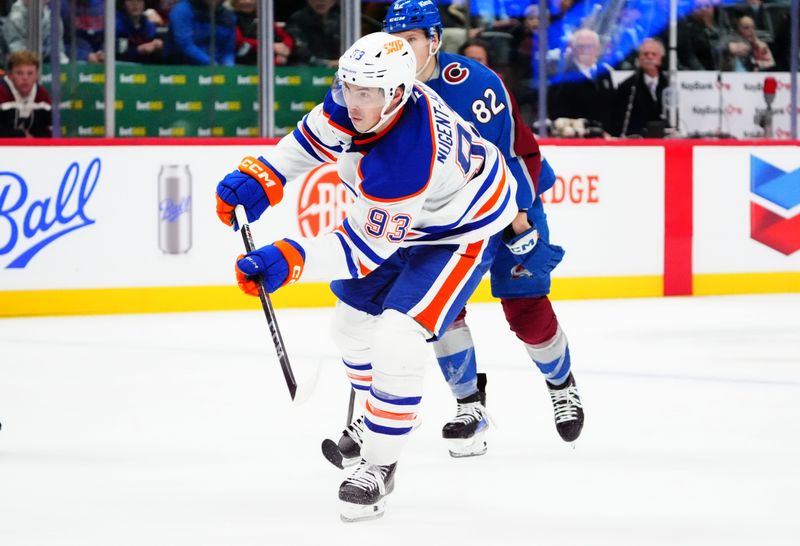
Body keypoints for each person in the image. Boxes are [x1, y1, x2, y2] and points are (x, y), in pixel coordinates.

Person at [215, 32, 517, 522]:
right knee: (350, 327)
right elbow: (309, 140)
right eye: (348, 87)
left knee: (400, 331)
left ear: (396, 93)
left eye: (367, 93)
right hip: (414, 217)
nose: (353, 102)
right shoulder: (363, 98)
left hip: (462, 228)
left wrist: (289, 258)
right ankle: (392, 409)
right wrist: (261, 176)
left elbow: (362, 249)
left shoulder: (408, 156)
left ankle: (378, 465)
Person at [322, 0, 583, 463]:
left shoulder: (476, 83)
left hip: (508, 200)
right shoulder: (376, 85)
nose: (399, 51)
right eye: (393, 41)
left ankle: (561, 385)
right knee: (438, 309)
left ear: (436, 41)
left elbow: (508, 157)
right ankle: (469, 407)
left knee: (524, 307)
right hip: (441, 218)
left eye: (412, 42)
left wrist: (521, 223)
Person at [548, 28, 616, 133]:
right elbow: (557, 113)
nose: (585, 50)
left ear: (597, 49)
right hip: (576, 139)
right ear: (573, 49)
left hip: (605, 137)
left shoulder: (605, 73)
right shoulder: (562, 76)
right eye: (580, 46)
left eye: (589, 46)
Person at [612, 38, 670, 137]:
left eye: (654, 54)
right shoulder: (627, 86)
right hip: (637, 139)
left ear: (661, 58)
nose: (650, 57)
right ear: (639, 58)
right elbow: (619, 120)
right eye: (646, 54)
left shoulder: (668, 84)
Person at [166, 0, 236, 65]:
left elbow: (228, 51)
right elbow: (185, 45)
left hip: (217, 67)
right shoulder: (182, 10)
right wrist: (213, 65)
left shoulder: (229, 16)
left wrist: (228, 68)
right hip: (181, 67)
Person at [0, 50, 52, 138]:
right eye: (19, 73)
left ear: (37, 75)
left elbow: (49, 130)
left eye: (30, 73)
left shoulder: (42, 94)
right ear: (10, 75)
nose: (25, 78)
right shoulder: (1, 91)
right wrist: (21, 136)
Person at [2, 0, 68, 65]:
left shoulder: (52, 17)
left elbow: (58, 49)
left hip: (45, 61)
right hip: (21, 63)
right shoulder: (15, 18)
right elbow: (16, 50)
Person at [230, 0, 293, 66]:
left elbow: (286, 37)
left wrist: (283, 53)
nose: (248, 2)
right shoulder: (231, 18)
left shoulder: (263, 17)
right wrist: (269, 46)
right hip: (244, 63)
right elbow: (238, 41)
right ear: (235, 2)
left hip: (272, 62)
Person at [285, 0, 340, 67]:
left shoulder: (340, 21)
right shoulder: (297, 20)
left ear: (333, 1)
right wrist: (327, 63)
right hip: (306, 70)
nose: (321, 1)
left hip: (337, 69)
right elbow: (300, 52)